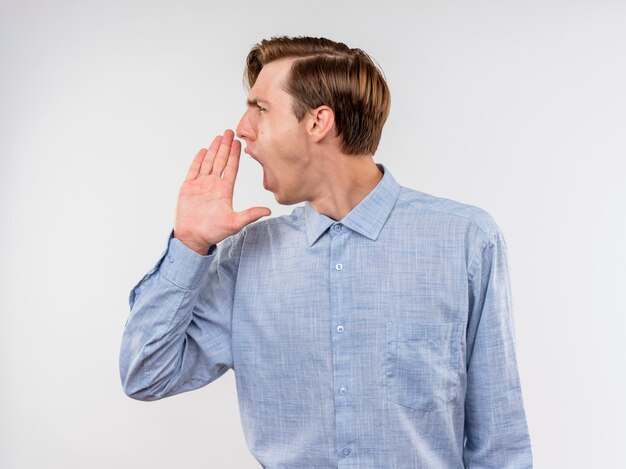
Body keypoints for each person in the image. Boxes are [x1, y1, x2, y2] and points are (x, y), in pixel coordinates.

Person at [119, 36, 532, 468]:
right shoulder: (246, 259)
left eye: (260, 108)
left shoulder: (465, 240)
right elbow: (145, 374)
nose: (242, 129)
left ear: (318, 122)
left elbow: (500, 446)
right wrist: (189, 245)